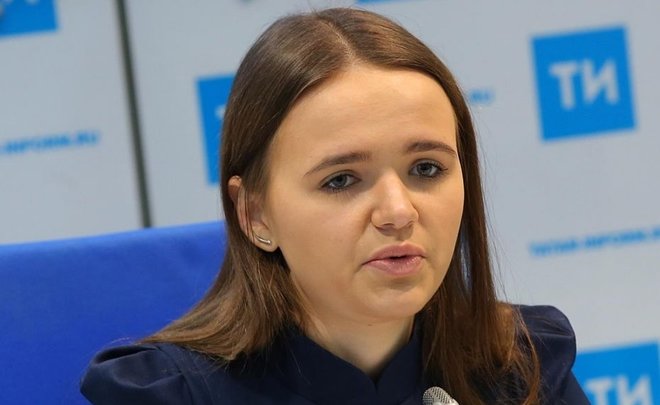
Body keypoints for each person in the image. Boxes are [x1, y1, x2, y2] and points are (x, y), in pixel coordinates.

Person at [81, 7, 589, 404]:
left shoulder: (523, 367)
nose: (398, 212)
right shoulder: (171, 396)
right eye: (341, 180)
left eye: (426, 169)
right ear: (254, 214)